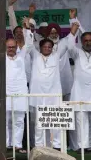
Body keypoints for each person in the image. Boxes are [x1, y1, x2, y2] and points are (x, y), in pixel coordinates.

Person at [23, 17, 68, 150]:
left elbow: (67, 43)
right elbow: (29, 45)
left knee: (54, 122)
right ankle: (39, 146)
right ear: (40, 47)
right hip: (38, 96)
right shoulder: (35, 55)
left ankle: (56, 146)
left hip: (53, 96)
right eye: (45, 46)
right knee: (38, 123)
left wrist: (73, 24)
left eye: (50, 47)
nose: (47, 48)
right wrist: (28, 29)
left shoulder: (56, 56)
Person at [67, 12, 91, 153]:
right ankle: (82, 146)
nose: (88, 42)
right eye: (85, 40)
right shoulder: (76, 53)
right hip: (80, 93)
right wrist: (73, 31)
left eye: (90, 40)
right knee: (81, 120)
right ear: (82, 42)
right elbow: (70, 46)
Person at [5, 38, 28, 154]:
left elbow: (27, 43)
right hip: (6, 94)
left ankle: (17, 145)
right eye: (8, 47)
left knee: (19, 121)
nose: (11, 49)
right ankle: (6, 144)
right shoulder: (1, 59)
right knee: (6, 120)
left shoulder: (21, 57)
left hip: (20, 94)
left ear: (17, 47)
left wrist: (27, 28)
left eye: (13, 47)